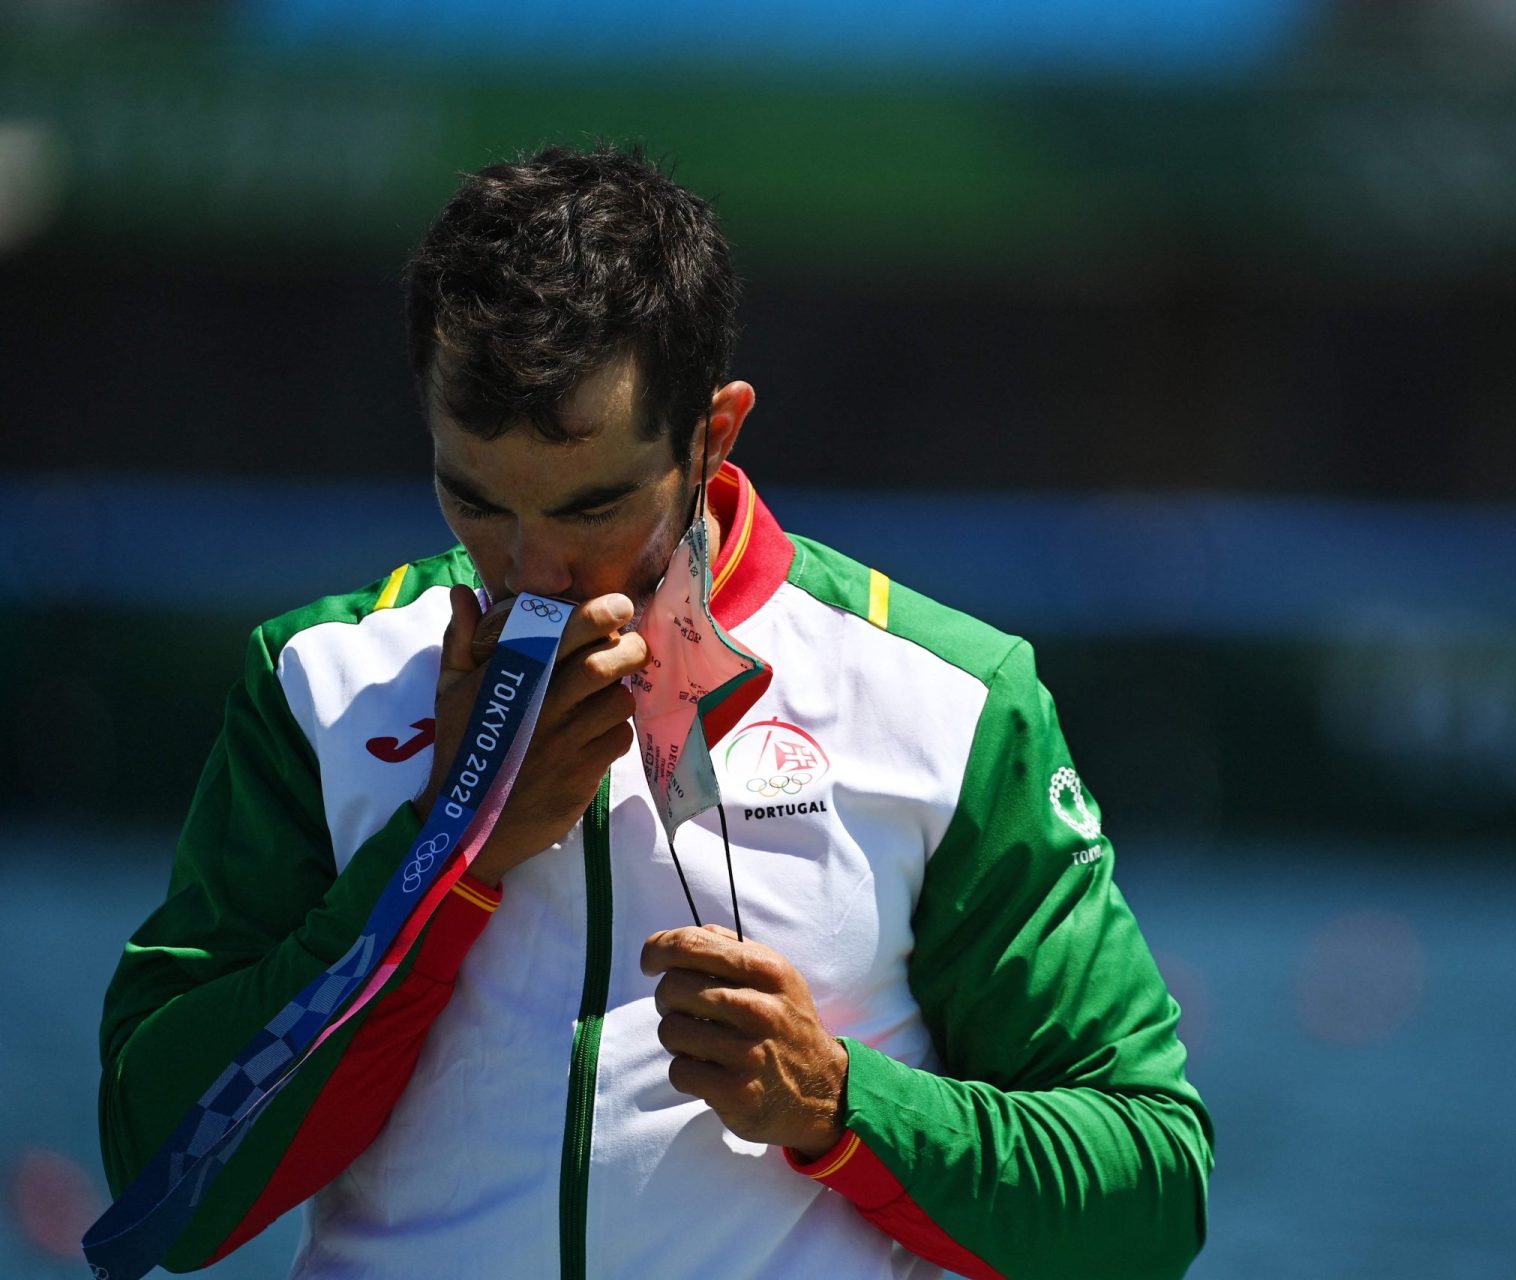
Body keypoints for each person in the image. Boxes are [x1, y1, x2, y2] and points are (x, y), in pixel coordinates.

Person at [98, 144, 1212, 1280]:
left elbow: (1150, 1198)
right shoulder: (318, 679)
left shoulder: (951, 699)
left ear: (713, 433)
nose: (533, 570)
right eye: (473, 498)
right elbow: (159, 1182)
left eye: (593, 505)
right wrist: (445, 855)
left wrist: (842, 1104)